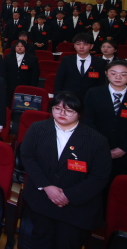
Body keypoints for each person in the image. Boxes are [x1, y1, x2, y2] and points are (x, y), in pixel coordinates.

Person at [21, 91, 111, 249]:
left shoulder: (97, 141)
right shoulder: (37, 128)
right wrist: (47, 186)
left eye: (69, 110)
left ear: (79, 113)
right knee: (39, 241)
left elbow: (99, 177)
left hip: (76, 208)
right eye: (57, 108)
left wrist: (68, 195)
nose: (62, 114)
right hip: (42, 200)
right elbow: (27, 157)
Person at [85, 60, 127, 181]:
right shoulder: (94, 93)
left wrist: (124, 148)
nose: (118, 77)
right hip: (96, 147)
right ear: (106, 73)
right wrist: (101, 146)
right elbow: (88, 120)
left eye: (123, 74)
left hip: (124, 150)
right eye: (113, 73)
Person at [54, 33, 105, 98]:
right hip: (69, 98)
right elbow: (59, 80)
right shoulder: (66, 60)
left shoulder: (100, 62)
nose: (81, 47)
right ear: (74, 45)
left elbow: (102, 83)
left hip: (91, 97)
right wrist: (57, 98)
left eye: (85, 44)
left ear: (91, 46)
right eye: (78, 44)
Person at [4, 39, 40, 105]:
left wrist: (32, 87)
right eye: (17, 46)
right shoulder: (8, 57)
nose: (19, 48)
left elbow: (35, 74)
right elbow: (4, 72)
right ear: (14, 47)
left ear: (25, 47)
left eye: (22, 46)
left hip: (25, 86)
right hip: (10, 86)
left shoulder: (32, 59)